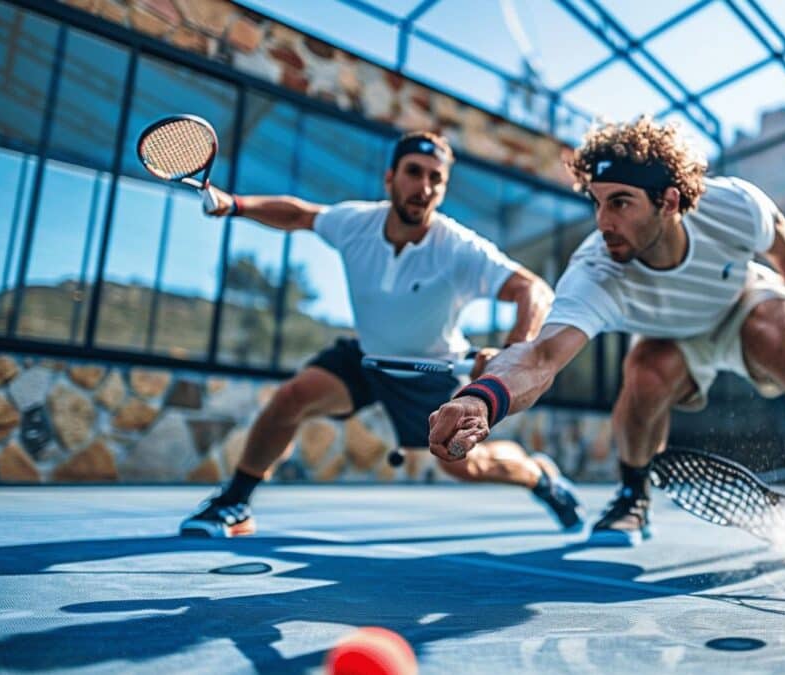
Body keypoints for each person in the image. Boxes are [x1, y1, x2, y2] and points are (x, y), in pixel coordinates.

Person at [428, 117, 785, 546]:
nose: (602, 221)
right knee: (646, 374)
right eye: (596, 203)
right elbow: (541, 357)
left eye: (620, 203)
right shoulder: (595, 269)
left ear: (669, 201)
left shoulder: (734, 205)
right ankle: (633, 494)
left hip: (742, 302)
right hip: (668, 334)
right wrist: (481, 399)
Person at [180, 131, 584, 537]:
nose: (423, 187)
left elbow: (532, 290)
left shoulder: (459, 247)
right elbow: (300, 215)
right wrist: (236, 204)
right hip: (369, 356)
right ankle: (234, 503)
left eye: (435, 179)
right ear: (390, 177)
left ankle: (538, 476)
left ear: (442, 189)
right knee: (291, 398)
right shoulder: (355, 223)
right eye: (413, 172)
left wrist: (512, 351)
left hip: (432, 369)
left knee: (464, 465)